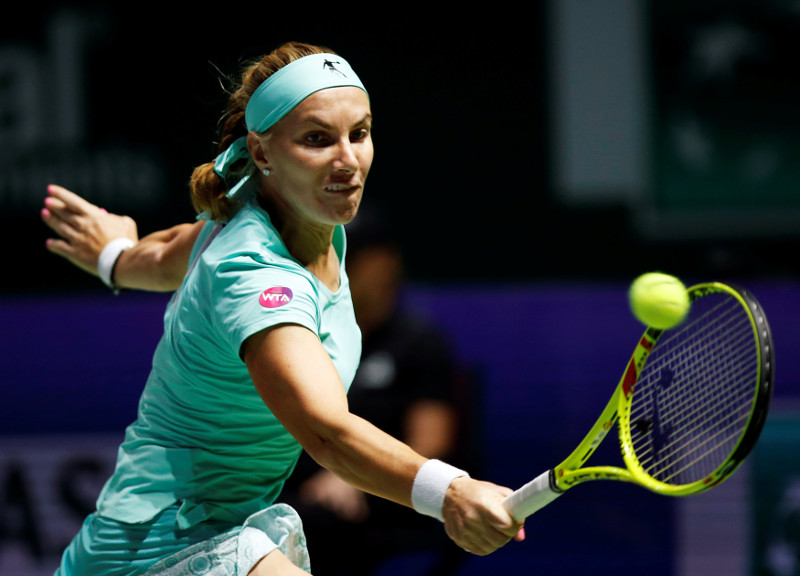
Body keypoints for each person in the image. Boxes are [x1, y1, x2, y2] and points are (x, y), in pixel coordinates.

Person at [40, 41, 524, 576]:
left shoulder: (266, 213)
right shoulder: (255, 276)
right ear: (263, 151)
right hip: (157, 544)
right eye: (317, 139)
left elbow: (164, 254)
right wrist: (449, 491)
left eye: (358, 134)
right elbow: (326, 432)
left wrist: (114, 256)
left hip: (210, 526)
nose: (347, 160)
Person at [281, 209, 471, 575]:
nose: (385, 270)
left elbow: (432, 440)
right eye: (369, 258)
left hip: (380, 499)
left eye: (388, 257)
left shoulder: (420, 342)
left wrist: (353, 476)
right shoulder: (300, 336)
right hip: (297, 494)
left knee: (314, 525)